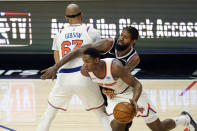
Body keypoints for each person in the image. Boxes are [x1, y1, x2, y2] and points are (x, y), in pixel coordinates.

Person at [41, 26, 141, 131]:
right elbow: (79, 51)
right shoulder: (108, 44)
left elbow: (120, 78)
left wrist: (109, 89)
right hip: (100, 82)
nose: (121, 38)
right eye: (121, 35)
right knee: (109, 118)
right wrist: (56, 66)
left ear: (133, 41)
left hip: (118, 88)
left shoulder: (134, 58)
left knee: (122, 118)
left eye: (125, 37)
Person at [80, 48, 197, 131]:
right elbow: (100, 81)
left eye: (87, 61)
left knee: (158, 128)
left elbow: (137, 85)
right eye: (83, 61)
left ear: (96, 60)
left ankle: (185, 119)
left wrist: (134, 101)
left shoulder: (114, 67)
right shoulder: (85, 72)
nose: (84, 65)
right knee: (116, 127)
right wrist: (105, 88)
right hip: (115, 97)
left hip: (133, 92)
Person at [37, 3, 112, 131]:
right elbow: (97, 58)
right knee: (101, 114)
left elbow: (57, 55)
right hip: (85, 76)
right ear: (81, 14)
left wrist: (57, 72)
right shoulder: (91, 31)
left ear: (66, 17)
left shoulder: (59, 33)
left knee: (48, 115)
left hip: (64, 78)